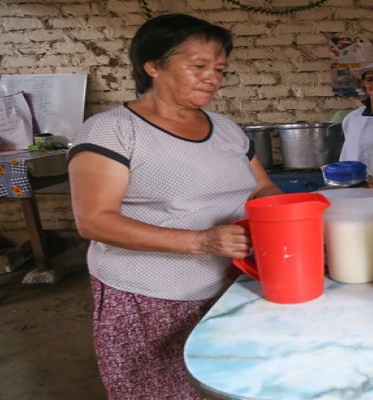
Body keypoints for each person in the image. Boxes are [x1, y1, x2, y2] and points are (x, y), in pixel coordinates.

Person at [67, 14, 282, 399]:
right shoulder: (114, 130)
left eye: (219, 69)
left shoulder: (227, 129)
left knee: (226, 384)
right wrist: (202, 241)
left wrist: (295, 217)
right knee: (161, 390)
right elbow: (94, 221)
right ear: (152, 65)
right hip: (149, 297)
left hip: (230, 284)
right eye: (198, 66)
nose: (212, 78)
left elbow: (262, 188)